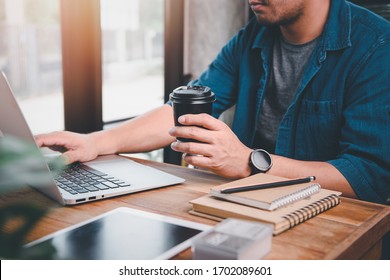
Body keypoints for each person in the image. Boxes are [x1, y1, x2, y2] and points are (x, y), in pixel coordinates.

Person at [37, 0, 390, 206]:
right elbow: (184, 110)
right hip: (248, 205)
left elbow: (368, 177)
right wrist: (95, 142)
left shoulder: (376, 46)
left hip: (329, 217)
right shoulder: (252, 37)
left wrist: (249, 162)